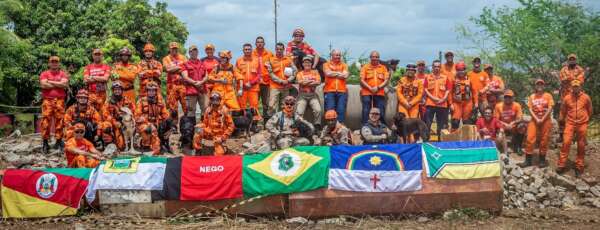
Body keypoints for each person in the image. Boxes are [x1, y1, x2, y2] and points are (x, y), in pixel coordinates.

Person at [557, 80, 592, 177]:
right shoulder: (567, 97)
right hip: (570, 123)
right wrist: (561, 120)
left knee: (581, 145)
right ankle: (561, 164)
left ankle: (579, 166)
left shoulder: (586, 97)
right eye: (574, 86)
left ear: (580, 86)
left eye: (577, 86)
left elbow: (590, 110)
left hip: (582, 123)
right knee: (566, 142)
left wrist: (586, 119)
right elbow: (563, 111)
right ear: (571, 87)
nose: (575, 88)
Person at [518, 79, 554, 168]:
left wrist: (542, 118)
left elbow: (550, 108)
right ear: (535, 86)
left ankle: (542, 160)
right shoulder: (532, 96)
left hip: (545, 120)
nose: (539, 86)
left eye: (541, 84)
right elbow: (530, 109)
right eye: (538, 84)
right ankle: (528, 160)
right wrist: (537, 118)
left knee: (544, 140)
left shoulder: (548, 96)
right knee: (530, 138)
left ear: (544, 86)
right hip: (534, 120)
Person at [40, 56, 69, 154]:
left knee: (60, 121)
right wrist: (58, 83)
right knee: (45, 122)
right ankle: (45, 142)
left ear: (59, 63)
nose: (54, 63)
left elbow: (64, 85)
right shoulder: (44, 73)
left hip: (60, 100)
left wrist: (50, 82)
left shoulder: (63, 74)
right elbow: (43, 85)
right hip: (47, 101)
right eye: (52, 62)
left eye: (56, 62)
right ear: (49, 63)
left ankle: (59, 140)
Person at [135, 81, 173, 153]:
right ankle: (145, 144)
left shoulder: (160, 101)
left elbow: (165, 114)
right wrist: (149, 124)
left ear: (156, 91)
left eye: (153, 90)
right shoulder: (141, 101)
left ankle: (164, 143)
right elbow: (137, 116)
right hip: (145, 125)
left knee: (168, 123)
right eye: (149, 90)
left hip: (157, 124)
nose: (151, 92)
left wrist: (170, 125)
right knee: (147, 129)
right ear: (147, 91)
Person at [558, 53, 586, 142]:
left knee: (579, 114)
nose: (572, 60)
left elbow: (580, 81)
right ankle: (561, 135)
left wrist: (570, 78)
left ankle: (581, 136)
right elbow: (562, 80)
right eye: (570, 59)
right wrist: (573, 78)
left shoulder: (580, 69)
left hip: (577, 96)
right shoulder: (563, 69)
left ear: (576, 60)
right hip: (565, 96)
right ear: (568, 60)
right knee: (563, 115)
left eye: (573, 59)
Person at [101, 81, 135, 151]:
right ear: (113, 91)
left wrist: (127, 121)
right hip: (114, 123)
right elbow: (105, 115)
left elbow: (134, 111)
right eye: (115, 90)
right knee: (105, 125)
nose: (117, 91)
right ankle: (108, 145)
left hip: (125, 123)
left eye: (119, 89)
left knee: (121, 146)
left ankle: (129, 142)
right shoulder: (108, 101)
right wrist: (114, 122)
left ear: (122, 90)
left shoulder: (127, 101)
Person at [235, 43, 262, 129]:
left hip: (253, 88)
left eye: (249, 49)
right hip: (242, 88)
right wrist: (242, 85)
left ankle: (254, 126)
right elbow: (236, 73)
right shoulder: (239, 61)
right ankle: (242, 126)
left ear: (251, 50)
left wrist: (251, 83)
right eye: (245, 49)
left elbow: (259, 74)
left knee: (254, 107)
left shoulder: (257, 60)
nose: (247, 51)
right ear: (243, 50)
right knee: (241, 106)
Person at [424, 60, 451, 141]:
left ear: (440, 68)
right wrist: (433, 98)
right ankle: (426, 141)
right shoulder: (428, 77)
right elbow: (425, 89)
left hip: (442, 104)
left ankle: (440, 142)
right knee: (427, 124)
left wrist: (443, 99)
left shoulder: (445, 78)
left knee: (441, 125)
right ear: (432, 67)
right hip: (430, 103)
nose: (437, 68)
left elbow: (448, 89)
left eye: (438, 66)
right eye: (435, 66)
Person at [360, 51, 389, 124]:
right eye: (373, 57)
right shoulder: (365, 67)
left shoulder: (383, 68)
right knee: (366, 110)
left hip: (379, 92)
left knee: (380, 110)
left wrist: (378, 87)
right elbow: (361, 80)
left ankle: (382, 127)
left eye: (376, 57)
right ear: (370, 58)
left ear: (379, 58)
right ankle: (365, 127)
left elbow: (386, 80)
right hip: (367, 92)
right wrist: (370, 88)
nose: (375, 58)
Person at [266, 42, 295, 117]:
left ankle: (282, 122)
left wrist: (288, 80)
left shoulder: (288, 59)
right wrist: (280, 81)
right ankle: (271, 121)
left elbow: (295, 71)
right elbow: (270, 73)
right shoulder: (271, 60)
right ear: (275, 50)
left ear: (283, 50)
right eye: (277, 49)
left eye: (281, 49)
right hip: (274, 86)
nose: (279, 50)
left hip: (286, 86)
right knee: (272, 105)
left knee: (284, 105)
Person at [494, 90, 525, 155]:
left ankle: (519, 147)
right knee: (498, 130)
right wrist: (504, 124)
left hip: (513, 126)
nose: (508, 99)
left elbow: (520, 118)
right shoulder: (498, 106)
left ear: (513, 98)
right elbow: (496, 119)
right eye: (506, 97)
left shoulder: (517, 105)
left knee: (522, 126)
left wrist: (512, 123)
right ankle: (501, 148)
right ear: (504, 98)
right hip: (502, 126)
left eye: (510, 97)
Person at [295, 55, 322, 130]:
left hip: (313, 95)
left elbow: (318, 82)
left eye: (309, 62)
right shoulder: (299, 73)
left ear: (311, 63)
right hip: (302, 95)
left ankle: (317, 127)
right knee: (299, 111)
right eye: (305, 62)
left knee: (318, 110)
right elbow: (300, 82)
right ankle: (299, 128)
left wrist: (306, 82)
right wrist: (312, 81)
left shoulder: (315, 72)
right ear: (303, 64)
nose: (307, 64)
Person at [162, 41, 188, 118]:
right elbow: (168, 69)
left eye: (176, 49)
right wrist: (180, 67)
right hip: (171, 85)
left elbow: (186, 69)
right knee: (172, 107)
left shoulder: (183, 57)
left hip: (182, 85)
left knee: (186, 105)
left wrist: (173, 69)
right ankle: (174, 126)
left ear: (178, 49)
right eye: (172, 49)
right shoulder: (166, 58)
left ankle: (187, 124)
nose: (174, 50)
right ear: (169, 49)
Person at [323, 49, 349, 122]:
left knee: (341, 109)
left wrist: (333, 73)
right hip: (329, 90)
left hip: (342, 91)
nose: (338, 56)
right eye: (336, 55)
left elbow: (345, 75)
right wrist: (339, 73)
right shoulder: (326, 64)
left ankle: (340, 127)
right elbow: (328, 73)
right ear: (332, 55)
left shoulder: (344, 65)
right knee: (330, 109)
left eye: (339, 55)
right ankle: (330, 128)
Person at [252, 36, 274, 123]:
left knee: (266, 104)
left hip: (266, 82)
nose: (260, 43)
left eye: (261, 42)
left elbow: (274, 65)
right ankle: (254, 124)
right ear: (255, 44)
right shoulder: (252, 54)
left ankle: (266, 124)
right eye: (258, 42)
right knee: (254, 104)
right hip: (255, 83)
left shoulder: (269, 54)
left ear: (264, 43)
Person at [183, 45, 208, 118]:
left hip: (202, 90)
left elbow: (206, 76)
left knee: (205, 109)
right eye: (191, 51)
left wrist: (201, 82)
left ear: (197, 52)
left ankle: (204, 127)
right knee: (191, 110)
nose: (193, 52)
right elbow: (185, 77)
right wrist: (195, 83)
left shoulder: (202, 63)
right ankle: (190, 128)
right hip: (191, 90)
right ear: (189, 53)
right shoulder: (185, 64)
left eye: (195, 51)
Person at [451, 61, 477, 131]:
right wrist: (451, 104)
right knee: (455, 122)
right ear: (456, 71)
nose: (461, 72)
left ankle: (468, 140)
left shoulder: (469, 79)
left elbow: (474, 92)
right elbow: (450, 92)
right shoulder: (453, 79)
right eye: (459, 70)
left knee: (467, 122)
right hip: (457, 103)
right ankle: (453, 138)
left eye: (462, 69)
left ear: (465, 70)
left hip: (467, 103)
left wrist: (476, 103)